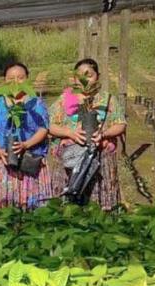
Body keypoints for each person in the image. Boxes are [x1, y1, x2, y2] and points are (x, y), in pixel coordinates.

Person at [48, 58, 126, 210]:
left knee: (99, 207)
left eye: (89, 75)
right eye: (80, 76)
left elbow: (120, 124)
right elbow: (50, 125)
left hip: (100, 158)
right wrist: (70, 133)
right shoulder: (66, 98)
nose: (85, 80)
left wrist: (103, 133)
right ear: (75, 79)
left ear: (98, 76)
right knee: (69, 207)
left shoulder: (107, 99)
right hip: (71, 159)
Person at [0, 62, 52, 210]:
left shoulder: (36, 103)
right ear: (4, 81)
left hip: (29, 162)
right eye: (11, 78)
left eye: (21, 78)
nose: (16, 82)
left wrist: (26, 144)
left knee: (31, 208)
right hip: (0, 163)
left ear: (27, 80)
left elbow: (43, 129)